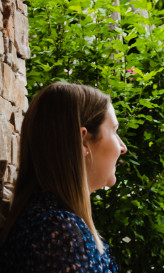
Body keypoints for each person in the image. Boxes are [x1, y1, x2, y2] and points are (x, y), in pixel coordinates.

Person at [0, 82, 127, 272]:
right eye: (114, 131)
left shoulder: (53, 224)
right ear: (83, 141)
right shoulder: (57, 234)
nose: (123, 147)